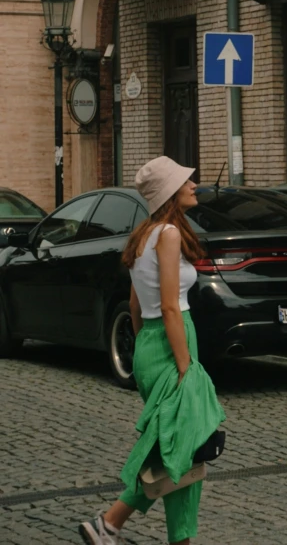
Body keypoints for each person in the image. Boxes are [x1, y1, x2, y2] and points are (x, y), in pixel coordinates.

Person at [79, 156, 226, 545]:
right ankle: (110, 523)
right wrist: (184, 365)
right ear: (170, 193)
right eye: (185, 182)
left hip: (150, 345)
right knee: (182, 449)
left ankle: (110, 526)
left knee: (179, 449)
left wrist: (147, 346)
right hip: (173, 341)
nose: (193, 185)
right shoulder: (169, 235)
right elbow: (170, 306)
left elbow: (133, 306)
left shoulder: (143, 235)